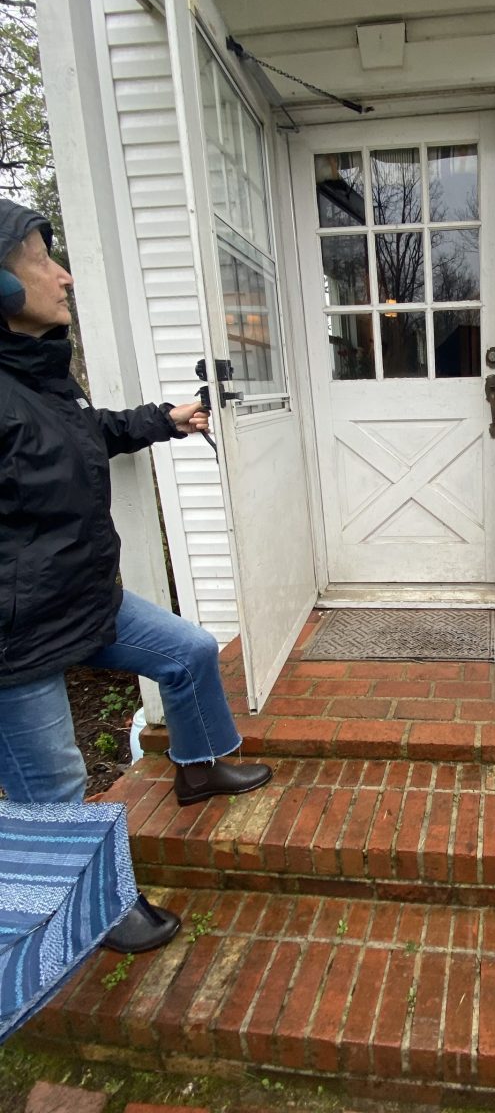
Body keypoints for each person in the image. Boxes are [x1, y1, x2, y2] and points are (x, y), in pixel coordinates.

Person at [0, 199, 272, 952]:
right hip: (15, 641)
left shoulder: (37, 375)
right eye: (39, 258)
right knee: (54, 789)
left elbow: (89, 432)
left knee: (187, 650)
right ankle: (94, 910)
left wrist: (165, 418)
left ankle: (197, 767)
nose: (64, 275)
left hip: (82, 599)